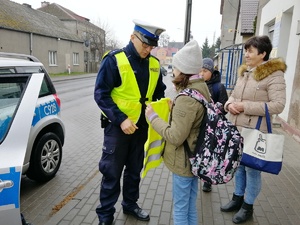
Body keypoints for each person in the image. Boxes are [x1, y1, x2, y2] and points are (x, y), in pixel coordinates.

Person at [94, 19, 166, 225]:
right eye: (145, 44)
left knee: (134, 171)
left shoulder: (154, 64)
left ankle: (130, 205)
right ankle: (106, 216)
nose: (148, 49)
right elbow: (101, 95)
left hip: (141, 128)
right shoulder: (114, 60)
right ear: (132, 37)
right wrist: (121, 119)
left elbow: (158, 92)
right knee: (111, 174)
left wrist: (164, 106)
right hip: (118, 129)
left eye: (152, 46)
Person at [220, 35, 286, 224]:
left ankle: (248, 206)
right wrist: (229, 105)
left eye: (250, 51)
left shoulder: (274, 75)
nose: (246, 54)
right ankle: (237, 198)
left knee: (252, 170)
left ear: (263, 54)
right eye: (246, 50)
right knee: (239, 167)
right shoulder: (244, 72)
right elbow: (233, 96)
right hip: (237, 130)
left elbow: (278, 105)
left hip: (255, 132)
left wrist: (244, 106)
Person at [145, 40, 211, 225]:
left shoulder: (186, 99)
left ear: (183, 69)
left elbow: (175, 136)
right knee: (190, 206)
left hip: (184, 162)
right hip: (195, 158)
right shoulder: (201, 88)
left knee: (181, 210)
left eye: (175, 67)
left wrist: (153, 118)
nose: (173, 71)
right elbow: (195, 118)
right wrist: (175, 107)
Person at [199, 58, 228, 192]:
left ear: (211, 71)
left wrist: (215, 110)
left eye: (205, 71)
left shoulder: (218, 87)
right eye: (200, 70)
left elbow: (224, 106)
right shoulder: (198, 85)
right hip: (199, 125)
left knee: (210, 153)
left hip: (213, 126)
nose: (201, 73)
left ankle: (207, 180)